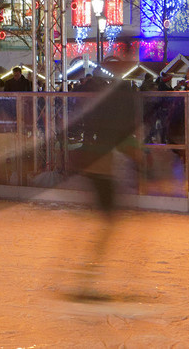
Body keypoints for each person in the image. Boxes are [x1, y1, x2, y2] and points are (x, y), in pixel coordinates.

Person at [63, 78, 147, 303]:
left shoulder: (100, 113)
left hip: (95, 173)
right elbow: (126, 145)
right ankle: (84, 281)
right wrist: (144, 161)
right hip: (102, 174)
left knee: (99, 226)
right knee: (105, 229)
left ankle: (81, 279)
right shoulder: (116, 118)